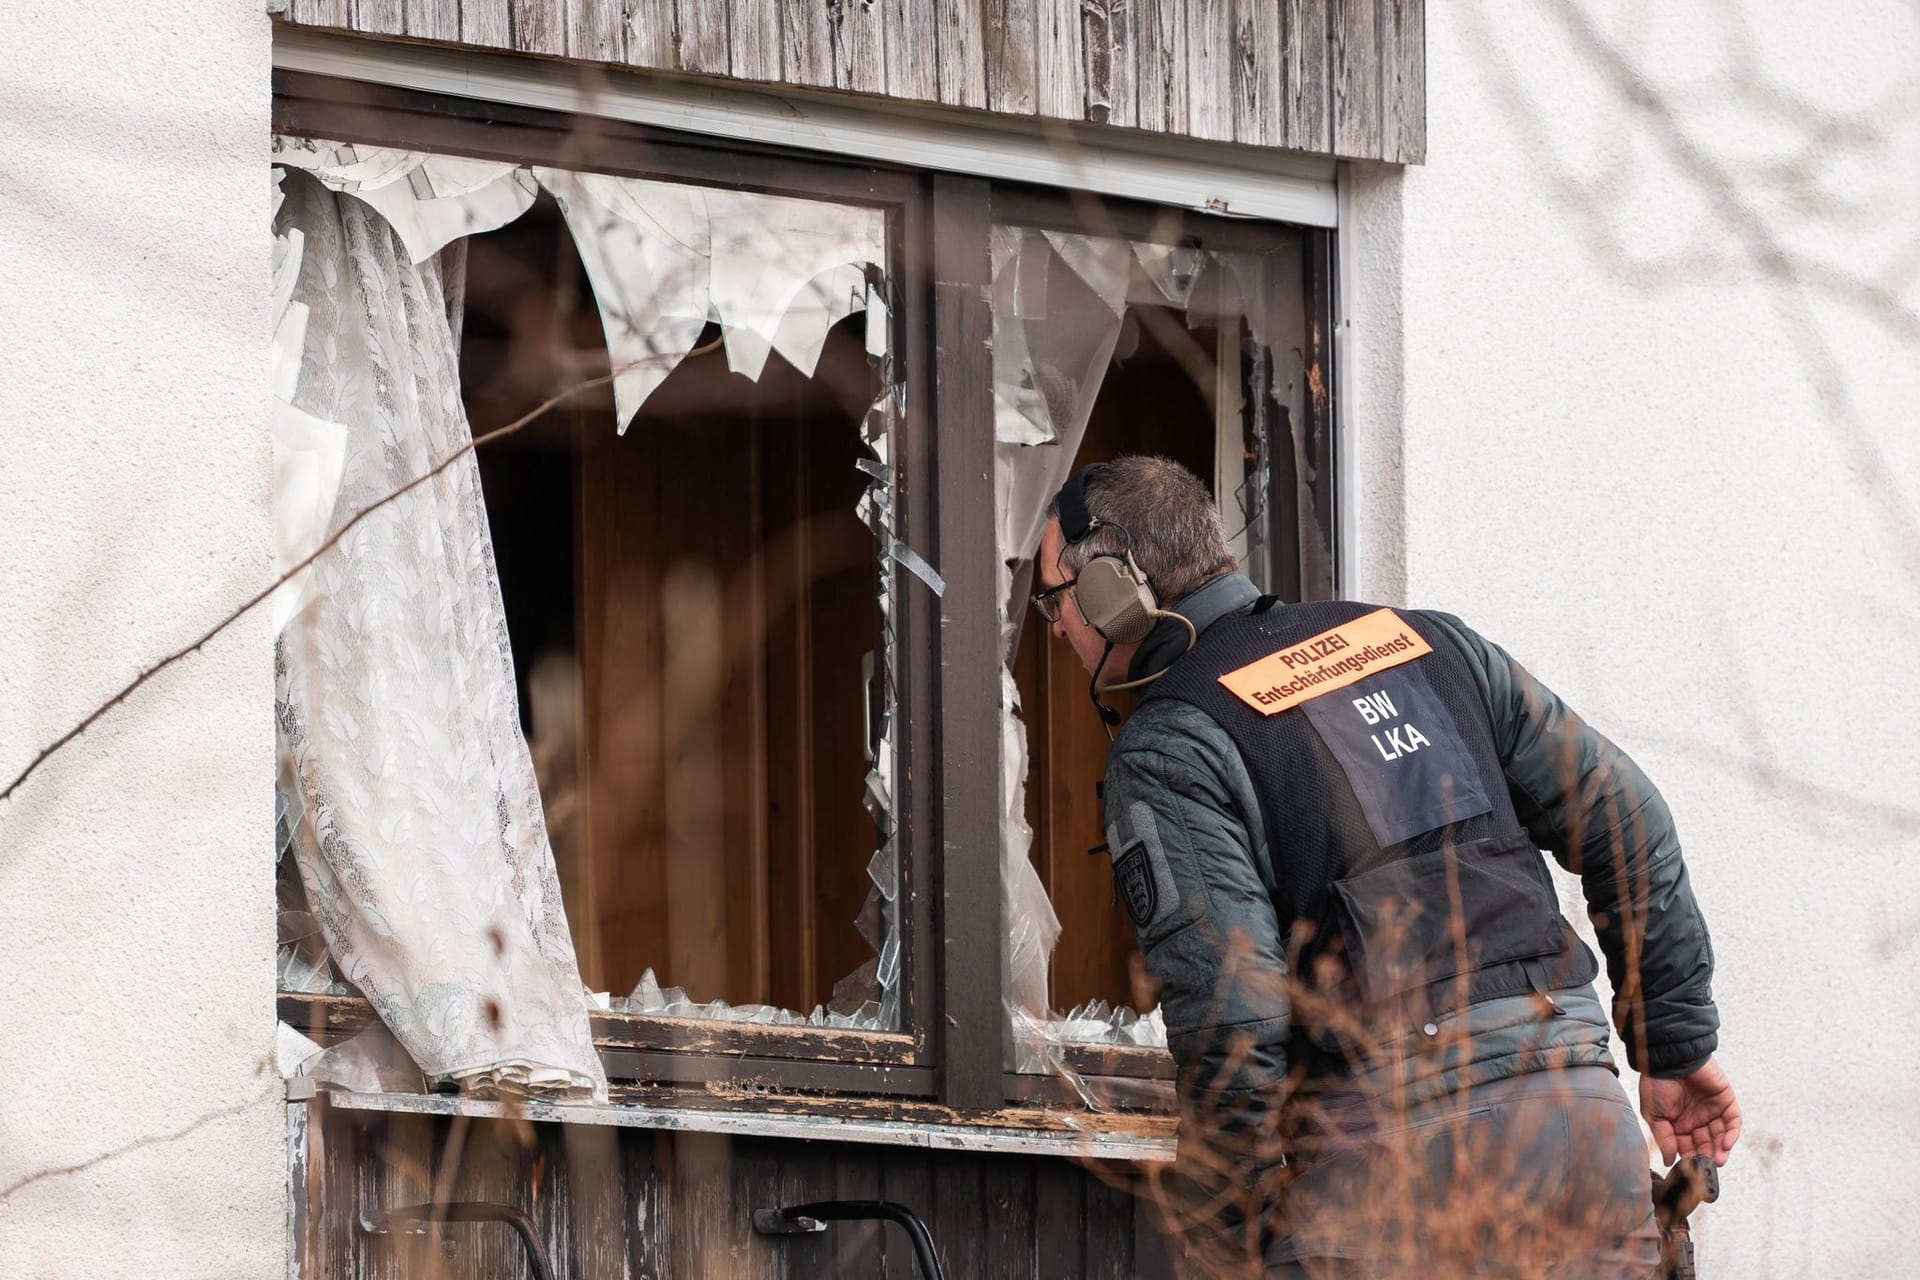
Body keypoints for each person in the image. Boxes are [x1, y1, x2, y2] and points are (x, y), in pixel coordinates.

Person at [1032, 456, 1740, 1278]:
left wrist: (1226, 1223)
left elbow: (1235, 1013)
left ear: (1114, 591)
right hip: (1578, 1131)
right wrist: (1675, 1048)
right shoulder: (1435, 643)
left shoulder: (1173, 743)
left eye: (1055, 600)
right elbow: (1629, 819)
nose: (1052, 627)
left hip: (1386, 1172)